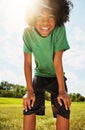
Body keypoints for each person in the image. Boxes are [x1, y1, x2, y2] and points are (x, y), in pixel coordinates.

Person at [22, 0, 73, 130]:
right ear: (33, 17)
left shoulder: (59, 29)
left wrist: (62, 91)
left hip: (56, 76)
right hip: (39, 74)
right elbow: (27, 63)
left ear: (58, 17)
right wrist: (29, 91)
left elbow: (57, 61)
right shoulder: (28, 33)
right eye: (40, 16)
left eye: (51, 17)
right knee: (29, 105)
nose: (45, 22)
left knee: (63, 106)